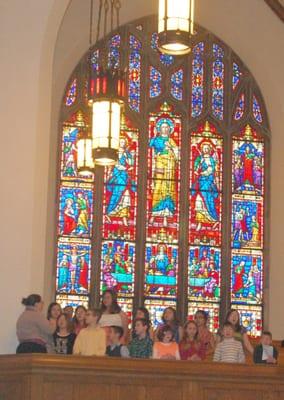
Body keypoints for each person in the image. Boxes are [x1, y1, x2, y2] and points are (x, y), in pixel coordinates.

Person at [149, 118, 179, 227]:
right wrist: (153, 135)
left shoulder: (171, 141)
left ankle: (167, 215)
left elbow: (177, 155)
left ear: (170, 129)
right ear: (159, 129)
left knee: (168, 189)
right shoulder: (156, 139)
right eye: (163, 127)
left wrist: (171, 148)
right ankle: (154, 213)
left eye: (167, 127)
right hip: (160, 165)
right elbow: (149, 145)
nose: (165, 129)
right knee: (158, 187)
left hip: (170, 167)